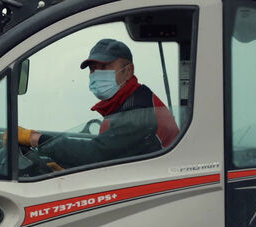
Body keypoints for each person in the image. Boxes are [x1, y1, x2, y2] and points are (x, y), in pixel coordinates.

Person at [18, 38, 179, 170]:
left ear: (128, 71)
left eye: (105, 67)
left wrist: (36, 139)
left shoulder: (139, 111)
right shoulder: (126, 102)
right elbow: (114, 157)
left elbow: (97, 154)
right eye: (93, 69)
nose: (96, 74)